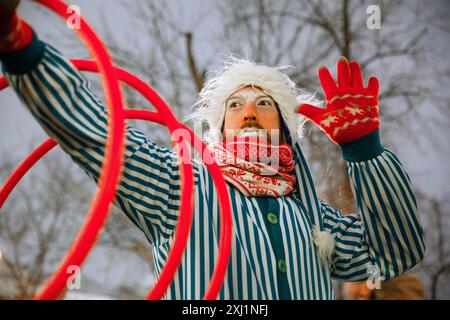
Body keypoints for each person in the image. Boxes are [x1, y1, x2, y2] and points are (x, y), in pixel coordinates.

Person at [0, 2, 425, 300]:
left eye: (264, 103)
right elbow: (101, 135)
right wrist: (18, 43)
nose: (251, 111)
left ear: (284, 128)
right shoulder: (180, 187)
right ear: (219, 127)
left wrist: (364, 150)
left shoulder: (313, 217)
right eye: (235, 105)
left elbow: (396, 250)